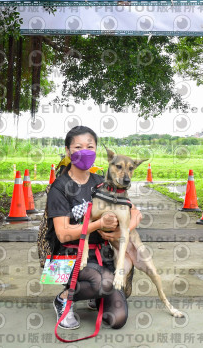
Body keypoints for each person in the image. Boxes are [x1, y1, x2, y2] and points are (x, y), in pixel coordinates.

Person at [45, 125, 141, 330]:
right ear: (68, 151)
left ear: (96, 150)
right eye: (78, 147)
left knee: (118, 319)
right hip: (70, 257)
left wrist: (122, 230)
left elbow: (135, 212)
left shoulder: (103, 181)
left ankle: (96, 296)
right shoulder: (59, 188)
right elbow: (62, 234)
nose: (85, 151)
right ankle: (63, 298)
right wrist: (98, 225)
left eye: (90, 146)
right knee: (105, 283)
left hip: (102, 256)